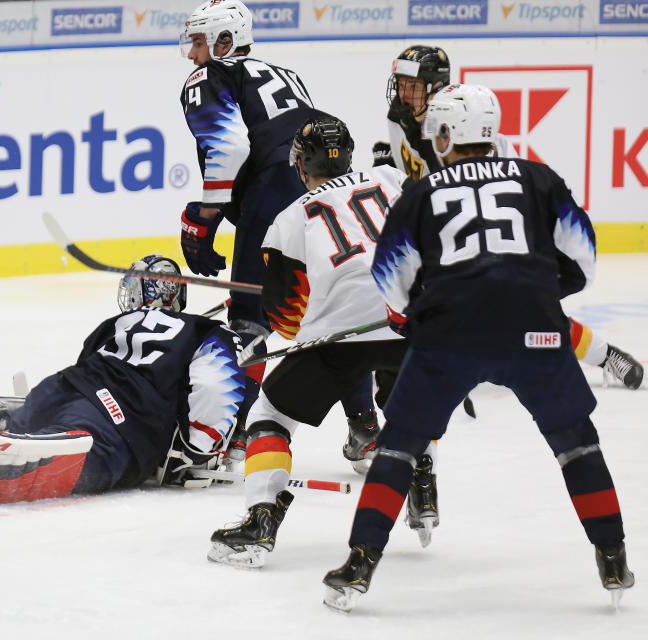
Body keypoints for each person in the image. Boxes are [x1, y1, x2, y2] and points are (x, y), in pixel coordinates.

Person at [323, 84, 634, 612]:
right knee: (577, 442)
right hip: (534, 332)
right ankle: (613, 557)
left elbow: (390, 276)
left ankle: (359, 565)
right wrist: (535, 291)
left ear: (447, 135)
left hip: (450, 335)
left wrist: (414, 312)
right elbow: (583, 256)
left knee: (399, 445)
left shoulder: (420, 194)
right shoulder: (538, 177)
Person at [0, 255, 246, 503]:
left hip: (65, 387)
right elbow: (216, 386)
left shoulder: (113, 324)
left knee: (31, 427)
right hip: (117, 427)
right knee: (39, 462)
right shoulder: (203, 331)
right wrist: (198, 452)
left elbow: (88, 368)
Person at [207, 114, 419, 568]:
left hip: (340, 336)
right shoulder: (390, 178)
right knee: (411, 405)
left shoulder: (288, 220)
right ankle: (423, 480)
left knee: (270, 416)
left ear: (301, 164)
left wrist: (308, 315)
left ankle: (260, 520)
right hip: (409, 322)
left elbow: (285, 316)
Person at [384, 44, 643, 390]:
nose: (404, 95)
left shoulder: (467, 130)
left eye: (412, 87)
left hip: (488, 236)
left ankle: (603, 353)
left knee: (521, 311)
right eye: (400, 84)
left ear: (434, 87)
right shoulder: (399, 118)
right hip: (443, 233)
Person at [177, 0, 337, 420]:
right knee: (333, 308)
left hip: (273, 190)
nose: (192, 54)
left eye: (198, 41)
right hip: (326, 185)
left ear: (224, 42)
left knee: (249, 321)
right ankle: (364, 425)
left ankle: (239, 427)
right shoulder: (289, 75)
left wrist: (205, 217)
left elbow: (230, 147)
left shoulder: (211, 74)